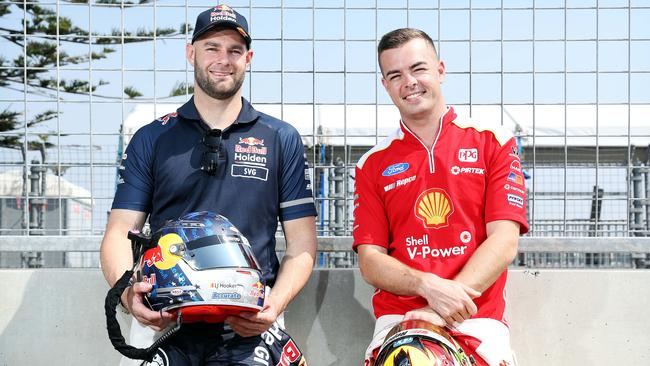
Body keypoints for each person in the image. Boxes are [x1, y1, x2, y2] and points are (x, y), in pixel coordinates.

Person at [100, 4, 317, 365]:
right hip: (166, 317)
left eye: (234, 50)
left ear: (248, 58)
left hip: (251, 320)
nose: (223, 59)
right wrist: (129, 298)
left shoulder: (281, 137)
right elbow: (119, 233)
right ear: (191, 53)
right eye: (212, 48)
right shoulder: (151, 138)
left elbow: (303, 243)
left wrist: (273, 305)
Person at [353, 28, 529, 366]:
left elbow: (504, 242)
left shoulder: (493, 141)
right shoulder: (372, 164)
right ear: (385, 85)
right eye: (395, 75)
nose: (409, 82)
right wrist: (426, 286)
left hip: (476, 319)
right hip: (400, 324)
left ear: (440, 70)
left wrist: (438, 309)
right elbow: (371, 260)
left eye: (418, 68)